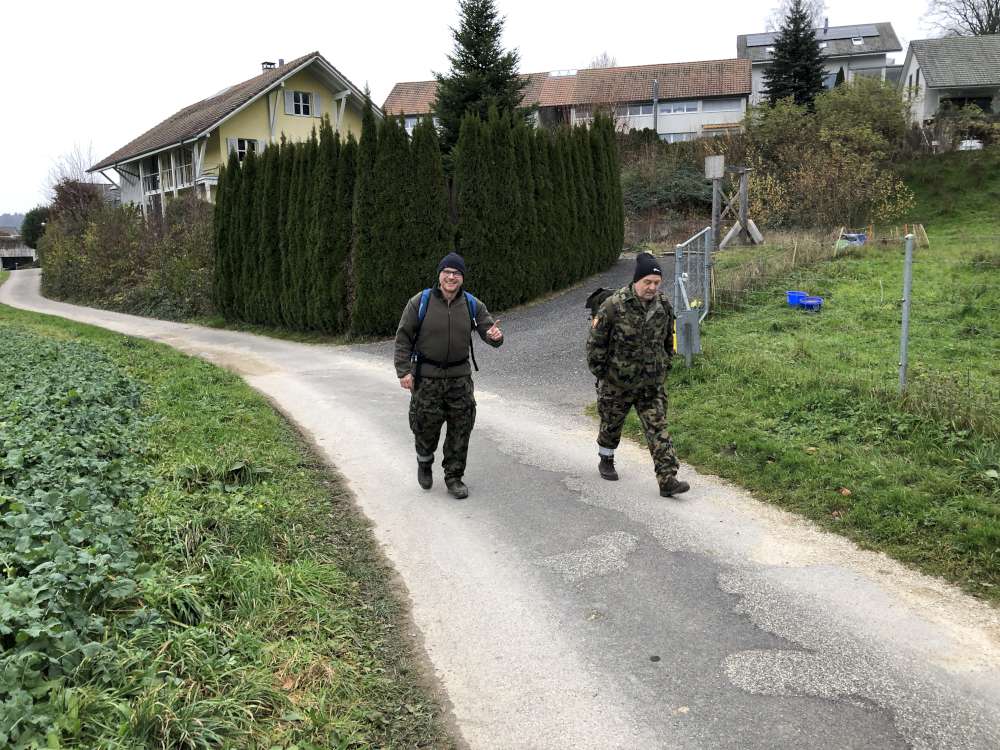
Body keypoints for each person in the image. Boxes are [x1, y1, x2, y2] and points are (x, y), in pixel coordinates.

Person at [395, 252, 504, 499]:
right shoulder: (420, 302)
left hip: (459, 379)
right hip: (427, 379)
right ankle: (424, 461)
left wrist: (496, 337)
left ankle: (454, 477)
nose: (451, 277)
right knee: (424, 428)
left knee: (461, 428)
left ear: (462, 278)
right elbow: (403, 338)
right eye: (447, 272)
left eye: (456, 273)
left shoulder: (472, 304)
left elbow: (490, 331)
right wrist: (403, 371)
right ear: (440, 275)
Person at [586, 252, 690, 497]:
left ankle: (667, 479)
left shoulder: (663, 305)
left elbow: (668, 340)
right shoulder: (614, 305)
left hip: (651, 384)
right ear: (637, 281)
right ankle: (606, 459)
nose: (652, 287)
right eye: (648, 282)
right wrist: (603, 373)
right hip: (617, 383)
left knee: (658, 427)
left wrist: (664, 365)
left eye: (656, 283)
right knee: (611, 425)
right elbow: (595, 343)